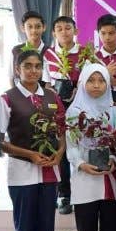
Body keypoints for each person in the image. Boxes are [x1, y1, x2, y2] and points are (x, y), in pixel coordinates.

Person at [0, 50, 65, 231]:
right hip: (22, 173)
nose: (33, 71)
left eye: (37, 66)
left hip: (49, 171)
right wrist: (29, 154)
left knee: (46, 226)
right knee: (25, 227)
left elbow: (62, 131)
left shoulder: (52, 96)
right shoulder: (7, 99)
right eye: (28, 66)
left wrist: (59, 154)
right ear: (17, 69)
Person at [65, 64, 116, 231]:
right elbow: (71, 146)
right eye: (91, 80)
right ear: (83, 83)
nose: (96, 85)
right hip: (84, 179)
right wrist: (81, 164)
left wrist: (115, 159)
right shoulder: (74, 111)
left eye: (101, 80)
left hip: (110, 178)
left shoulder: (115, 110)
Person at [43, 15, 81, 216]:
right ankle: (64, 193)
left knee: (81, 148)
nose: (64, 32)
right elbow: (46, 83)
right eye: (59, 28)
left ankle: (81, 191)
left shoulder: (84, 53)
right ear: (53, 33)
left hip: (81, 107)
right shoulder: (48, 55)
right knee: (62, 150)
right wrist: (56, 97)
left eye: (68, 28)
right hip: (57, 109)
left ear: (76, 31)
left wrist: (78, 90)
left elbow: (92, 78)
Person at [10, 11, 46, 87]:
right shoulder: (16, 51)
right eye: (30, 27)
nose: (34, 30)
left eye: (38, 26)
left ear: (44, 28)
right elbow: (11, 77)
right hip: (20, 95)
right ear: (23, 28)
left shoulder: (50, 52)